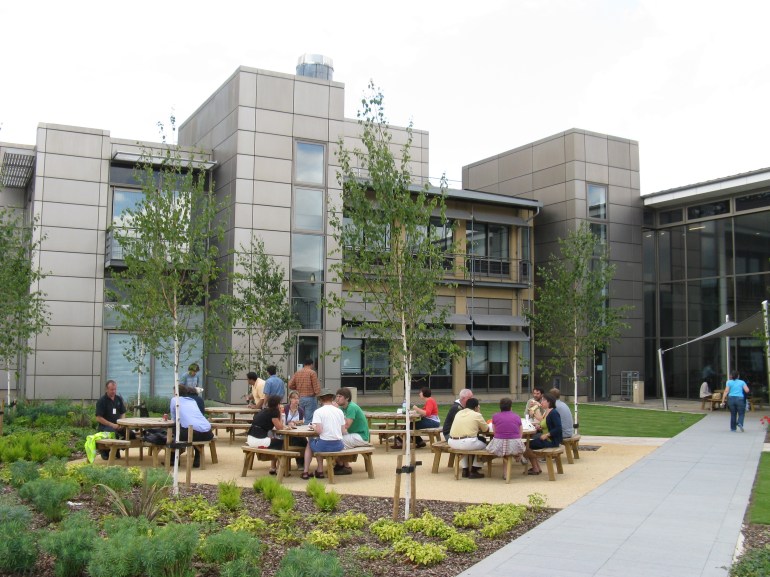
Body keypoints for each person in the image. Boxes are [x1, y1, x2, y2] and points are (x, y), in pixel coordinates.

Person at [301, 389, 345, 480]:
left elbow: (319, 431)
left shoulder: (318, 412)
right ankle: (319, 470)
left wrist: (313, 426)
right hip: (338, 445)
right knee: (318, 441)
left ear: (320, 400)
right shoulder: (339, 411)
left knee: (311, 443)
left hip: (324, 445)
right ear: (332, 398)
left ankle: (307, 471)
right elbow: (343, 430)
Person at [170, 385, 214, 468]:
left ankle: (174, 459)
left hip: (192, 433)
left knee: (173, 431)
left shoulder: (175, 400)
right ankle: (197, 458)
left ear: (175, 393)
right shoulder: (192, 401)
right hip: (208, 433)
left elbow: (174, 418)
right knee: (189, 430)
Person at [448, 398, 489, 479]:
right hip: (466, 442)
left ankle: (465, 469)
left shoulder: (459, 413)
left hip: (452, 442)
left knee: (467, 445)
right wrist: (478, 412)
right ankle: (474, 469)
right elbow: (486, 430)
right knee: (486, 445)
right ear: (476, 407)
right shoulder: (476, 415)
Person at [246, 395, 288, 474]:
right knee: (282, 443)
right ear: (277, 404)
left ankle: (273, 467)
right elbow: (280, 427)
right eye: (280, 403)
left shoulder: (264, 411)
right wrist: (280, 413)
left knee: (276, 441)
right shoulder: (274, 412)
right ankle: (279, 469)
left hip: (250, 439)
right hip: (259, 440)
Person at [522, 393, 563, 475]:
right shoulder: (546, 412)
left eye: (544, 400)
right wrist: (540, 427)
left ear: (549, 402)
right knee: (527, 443)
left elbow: (558, 428)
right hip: (546, 438)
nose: (542, 402)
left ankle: (535, 468)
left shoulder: (553, 413)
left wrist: (547, 434)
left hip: (551, 441)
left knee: (525, 445)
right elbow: (546, 424)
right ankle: (536, 468)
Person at [485, 397, 526, 479]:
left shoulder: (495, 416)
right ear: (511, 407)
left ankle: (505, 474)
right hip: (514, 443)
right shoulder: (517, 416)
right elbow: (520, 432)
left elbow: (495, 432)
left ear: (500, 407)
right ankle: (519, 455)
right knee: (511, 448)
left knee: (503, 450)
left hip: (499, 444)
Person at [334, 387, 370, 474]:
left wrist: (336, 411)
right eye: (337, 396)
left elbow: (346, 425)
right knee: (334, 439)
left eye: (340, 396)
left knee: (336, 442)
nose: (337, 398)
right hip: (352, 434)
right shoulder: (341, 408)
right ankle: (342, 464)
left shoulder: (351, 407)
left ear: (347, 398)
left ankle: (345, 466)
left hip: (361, 436)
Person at [95, 379, 132, 460]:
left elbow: (123, 413)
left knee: (131, 434)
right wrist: (112, 425)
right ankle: (105, 451)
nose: (114, 391)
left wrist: (121, 423)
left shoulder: (118, 399)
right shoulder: (101, 401)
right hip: (105, 426)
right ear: (107, 389)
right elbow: (98, 418)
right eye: (112, 390)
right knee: (113, 433)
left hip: (118, 425)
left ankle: (118, 448)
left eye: (115, 389)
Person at [288, 358, 321, 423]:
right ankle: (307, 428)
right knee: (309, 418)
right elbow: (316, 388)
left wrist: (297, 387)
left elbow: (290, 385)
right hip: (310, 398)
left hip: (299, 398)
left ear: (304, 364)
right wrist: (319, 396)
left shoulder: (297, 373)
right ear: (311, 364)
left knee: (300, 417)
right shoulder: (312, 373)